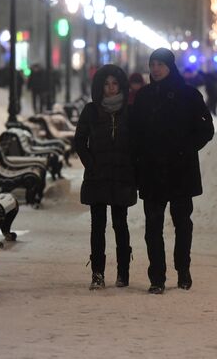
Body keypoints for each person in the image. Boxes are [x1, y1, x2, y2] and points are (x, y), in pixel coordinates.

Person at [131, 48, 214, 294]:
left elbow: (206, 128)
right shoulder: (144, 96)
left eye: (160, 64)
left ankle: (183, 270)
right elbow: (135, 133)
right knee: (153, 227)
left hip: (180, 169)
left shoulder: (188, 95)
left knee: (182, 224)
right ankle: (157, 277)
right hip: (152, 170)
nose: (155, 69)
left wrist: (187, 148)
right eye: (152, 64)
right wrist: (138, 160)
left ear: (170, 66)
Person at [74, 64, 137, 290]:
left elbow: (136, 143)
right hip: (97, 177)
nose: (111, 88)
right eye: (106, 84)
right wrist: (91, 164)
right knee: (97, 226)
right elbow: (79, 140)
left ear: (121, 86)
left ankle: (123, 273)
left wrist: (132, 167)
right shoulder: (91, 110)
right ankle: (97, 273)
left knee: (121, 225)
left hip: (122, 175)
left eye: (115, 83)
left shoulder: (129, 111)